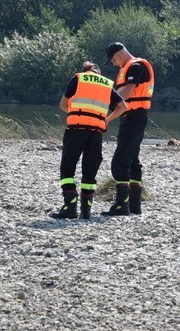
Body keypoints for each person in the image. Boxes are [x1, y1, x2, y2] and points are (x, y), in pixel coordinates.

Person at [51, 61, 127, 219]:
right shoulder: (106, 84)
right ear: (98, 72)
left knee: (67, 168)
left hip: (76, 129)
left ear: (86, 70)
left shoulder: (79, 78)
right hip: (96, 132)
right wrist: (106, 120)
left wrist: (75, 113)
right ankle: (86, 211)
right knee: (90, 171)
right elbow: (123, 107)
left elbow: (63, 104)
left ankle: (70, 207)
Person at [103, 42, 155, 216]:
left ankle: (121, 205)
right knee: (132, 161)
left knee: (120, 161)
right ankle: (134, 206)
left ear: (119, 54)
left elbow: (127, 92)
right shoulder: (126, 69)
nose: (113, 63)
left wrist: (108, 108)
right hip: (130, 117)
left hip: (135, 116)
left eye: (112, 60)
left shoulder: (136, 66)